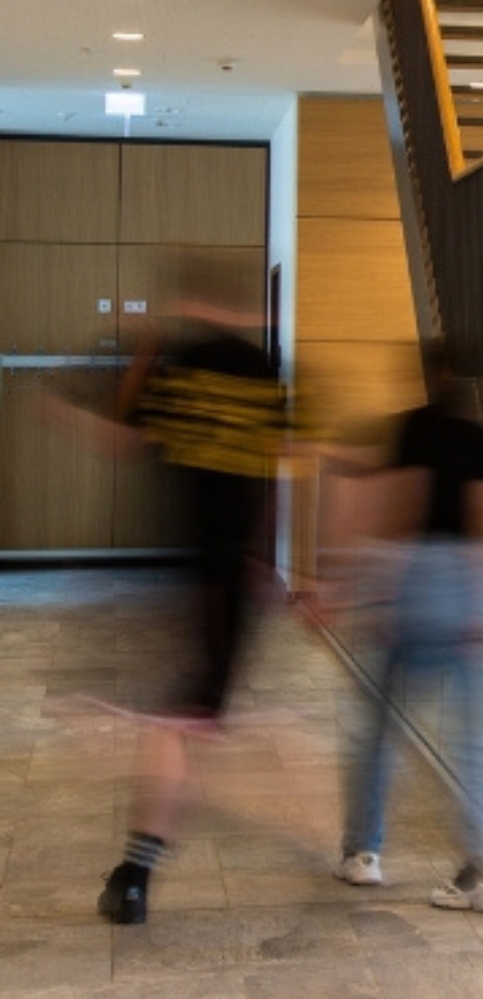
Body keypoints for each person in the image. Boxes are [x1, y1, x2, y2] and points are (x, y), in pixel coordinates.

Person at [93, 257, 285, 925]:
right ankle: (135, 870)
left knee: (190, 716)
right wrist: (269, 556)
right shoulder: (264, 369)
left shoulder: (178, 366)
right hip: (233, 574)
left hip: (192, 569)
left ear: (190, 301)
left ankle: (135, 871)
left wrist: (142, 360)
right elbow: (274, 470)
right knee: (192, 715)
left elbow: (122, 439)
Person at [326, 340, 483, 912]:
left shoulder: (412, 428)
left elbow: (404, 504)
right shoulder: (480, 439)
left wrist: (377, 590)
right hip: (469, 585)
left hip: (417, 582)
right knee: (478, 742)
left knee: (378, 728)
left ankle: (363, 855)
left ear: (428, 377)